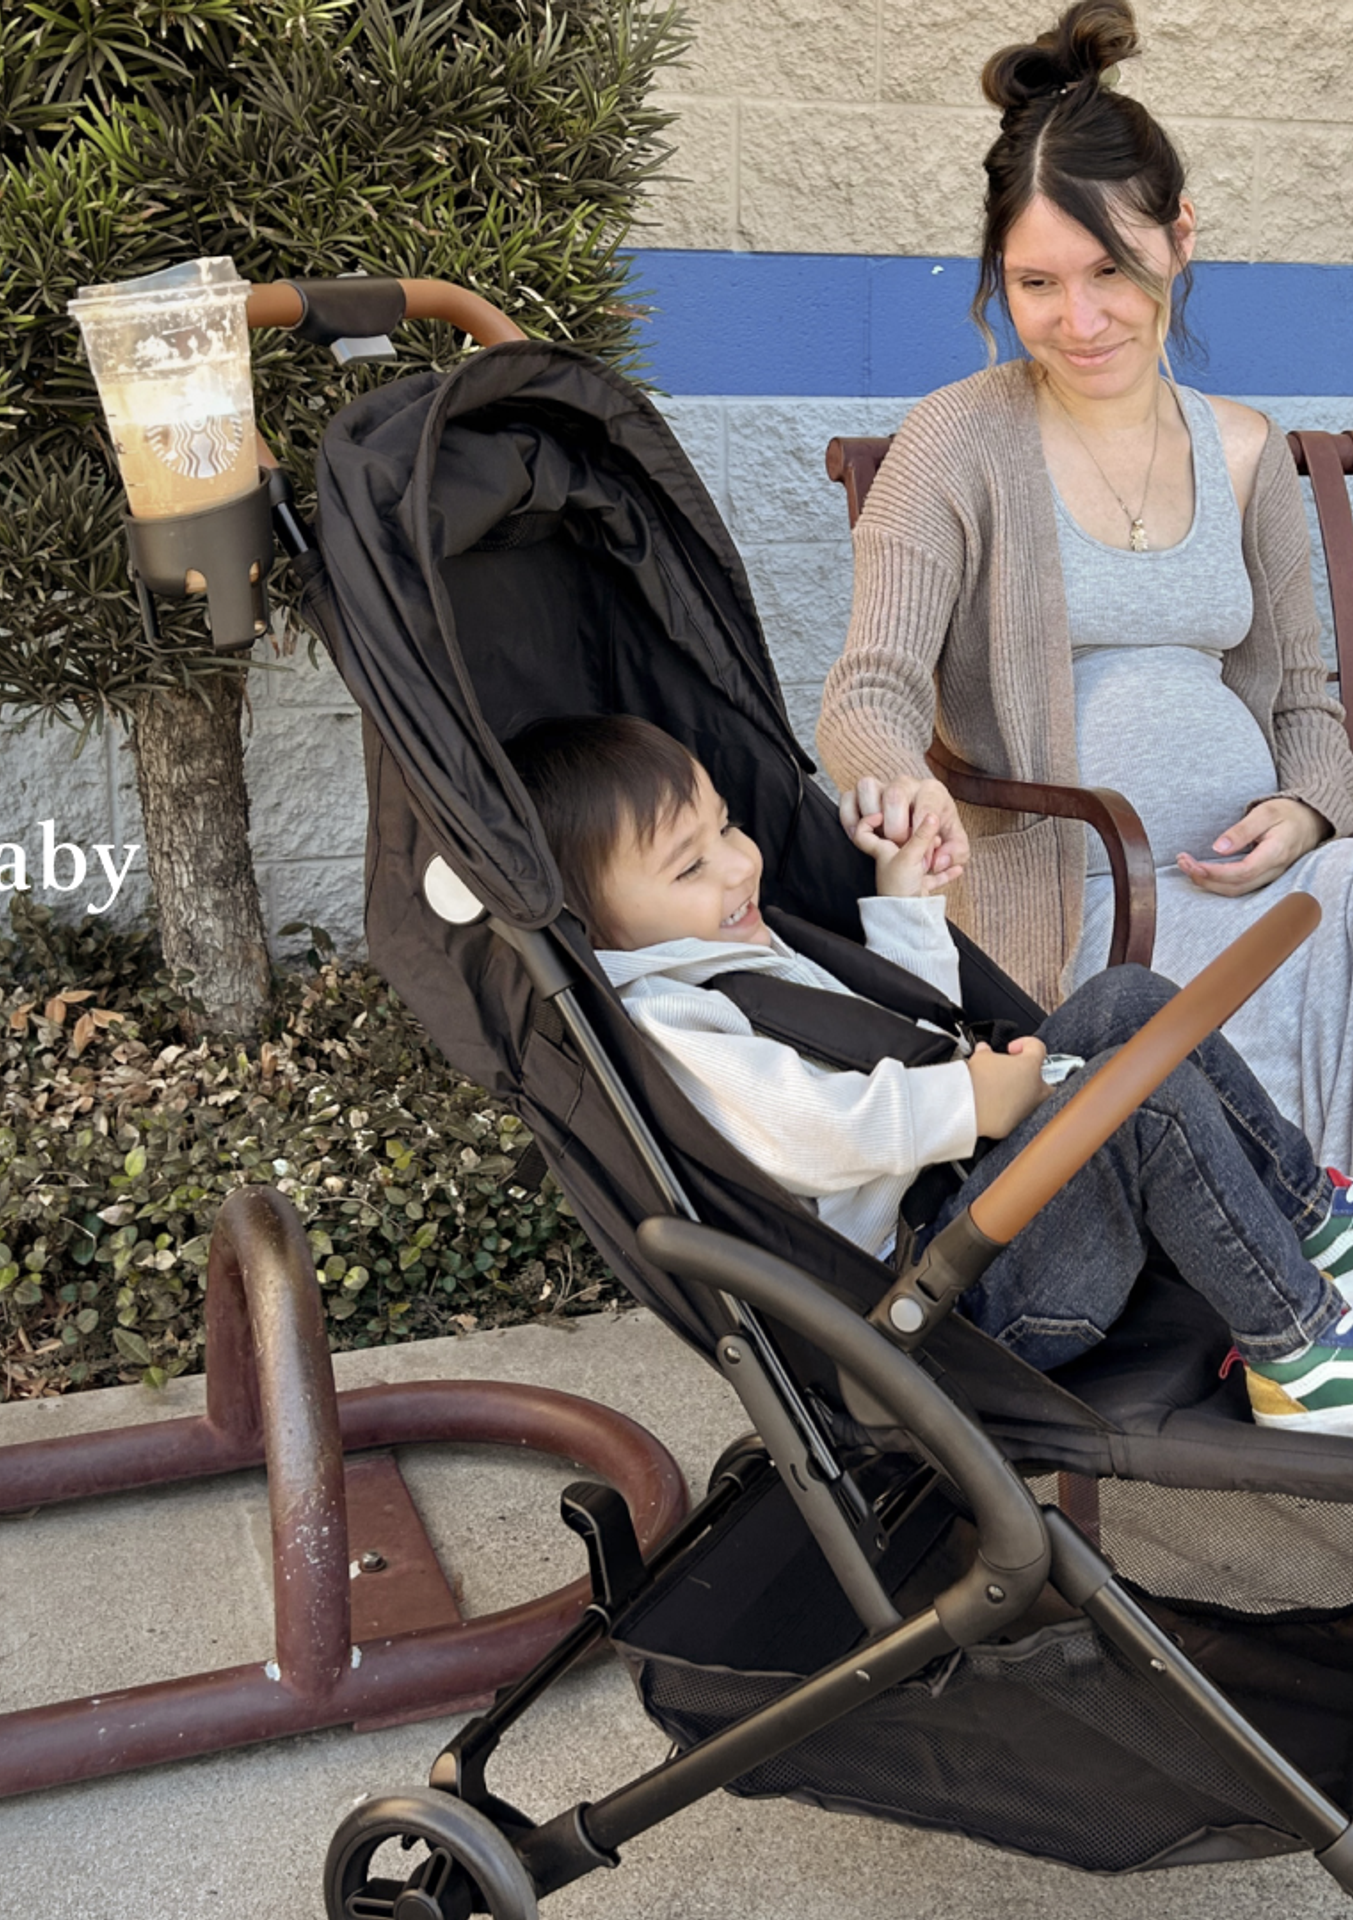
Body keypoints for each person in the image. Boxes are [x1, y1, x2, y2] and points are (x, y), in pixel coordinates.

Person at [812, 0, 1353, 1173]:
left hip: (1259, 877)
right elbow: (867, 693)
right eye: (1036, 283)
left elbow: (1305, 699)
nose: (1079, 319)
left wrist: (1306, 813)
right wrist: (900, 786)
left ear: (1181, 238)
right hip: (1073, 895)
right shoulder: (954, 441)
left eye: (1109, 269)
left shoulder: (1249, 450)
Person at [508, 713, 1353, 1434]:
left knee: (1128, 1001)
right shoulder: (672, 1018)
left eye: (726, 827)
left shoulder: (731, 950)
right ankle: (1297, 1358)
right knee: (1143, 1099)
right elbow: (810, 1130)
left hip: (969, 1209)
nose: (738, 864)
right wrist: (970, 1101)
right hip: (953, 1306)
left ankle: (1314, 1221)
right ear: (595, 926)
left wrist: (905, 903)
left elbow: (904, 1037)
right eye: (688, 867)